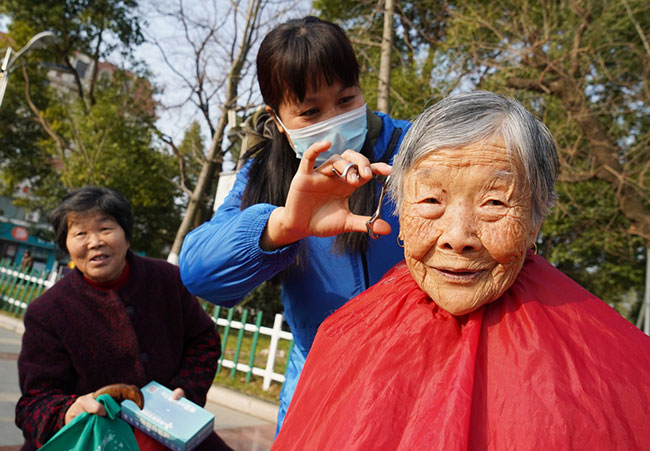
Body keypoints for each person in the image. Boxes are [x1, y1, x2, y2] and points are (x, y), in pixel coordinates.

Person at [272, 91, 650, 450]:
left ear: (536, 218)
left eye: (494, 202)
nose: (458, 237)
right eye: (432, 199)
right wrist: (286, 227)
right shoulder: (343, 335)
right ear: (400, 209)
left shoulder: (621, 373)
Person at [179, 16, 411, 430]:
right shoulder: (264, 174)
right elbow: (198, 272)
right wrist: (283, 226)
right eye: (309, 111)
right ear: (279, 119)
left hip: (416, 389)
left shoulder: (414, 151)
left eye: (346, 100)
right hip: (317, 391)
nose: (334, 119)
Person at [15, 187, 231, 450]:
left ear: (127, 235)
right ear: (66, 246)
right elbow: (34, 404)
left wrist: (186, 390)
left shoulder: (167, 280)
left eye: (105, 229)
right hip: (95, 440)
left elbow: (203, 342)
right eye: (80, 233)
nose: (94, 242)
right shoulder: (47, 312)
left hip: (174, 434)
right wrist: (69, 412)